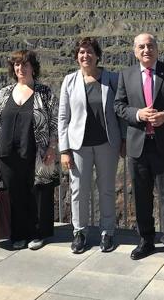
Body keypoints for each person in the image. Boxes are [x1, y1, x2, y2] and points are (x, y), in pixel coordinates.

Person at [114, 33, 164, 265]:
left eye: (150, 46)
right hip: (138, 146)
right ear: (135, 51)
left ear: (157, 49)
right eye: (141, 47)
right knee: (141, 195)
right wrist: (137, 114)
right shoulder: (126, 75)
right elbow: (119, 106)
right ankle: (146, 240)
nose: (146, 50)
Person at [58, 37, 126, 253]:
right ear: (77, 56)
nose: (85, 56)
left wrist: (123, 140)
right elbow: (63, 117)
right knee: (79, 190)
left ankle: (107, 233)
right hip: (79, 146)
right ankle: (80, 232)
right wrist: (64, 149)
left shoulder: (112, 79)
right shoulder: (69, 81)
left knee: (106, 189)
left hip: (107, 143)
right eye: (81, 52)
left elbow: (121, 112)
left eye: (89, 52)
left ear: (97, 55)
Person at [0, 50, 58, 250]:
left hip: (37, 152)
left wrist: (52, 146)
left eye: (25, 64)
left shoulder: (44, 92)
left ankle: (38, 233)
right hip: (7, 153)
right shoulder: (5, 93)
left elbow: (54, 122)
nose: (21, 68)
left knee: (38, 193)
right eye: (17, 65)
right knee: (15, 194)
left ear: (33, 68)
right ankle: (18, 234)